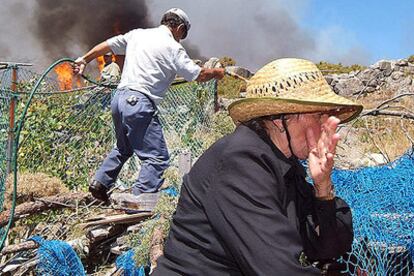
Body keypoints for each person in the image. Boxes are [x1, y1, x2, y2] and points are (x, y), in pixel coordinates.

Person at [153, 58, 363, 275]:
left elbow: (330, 246)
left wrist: (322, 185)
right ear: (280, 120)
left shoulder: (284, 164)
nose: (326, 125)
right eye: (320, 115)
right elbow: (278, 270)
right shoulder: (241, 162)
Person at [73, 8, 225, 201]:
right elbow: (199, 75)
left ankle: (100, 183)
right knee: (157, 158)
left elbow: (108, 45)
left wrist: (84, 59)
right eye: (183, 34)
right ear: (179, 28)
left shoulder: (138, 35)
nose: (182, 38)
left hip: (119, 99)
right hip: (139, 102)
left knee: (123, 147)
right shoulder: (173, 47)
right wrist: (219, 73)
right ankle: (141, 200)